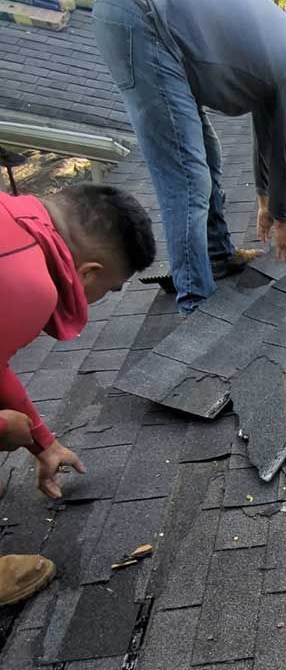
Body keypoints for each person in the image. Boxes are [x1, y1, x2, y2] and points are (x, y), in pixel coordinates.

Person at [92, 0, 286, 313]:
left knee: (207, 151)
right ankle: (196, 305)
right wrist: (282, 222)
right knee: (188, 175)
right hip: (146, 21)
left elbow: (268, 135)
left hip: (145, 15)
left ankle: (216, 254)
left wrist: (264, 201)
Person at [0, 183, 155, 606]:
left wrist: (43, 443)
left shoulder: (12, 218)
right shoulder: (28, 283)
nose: (99, 299)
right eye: (109, 288)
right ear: (87, 272)